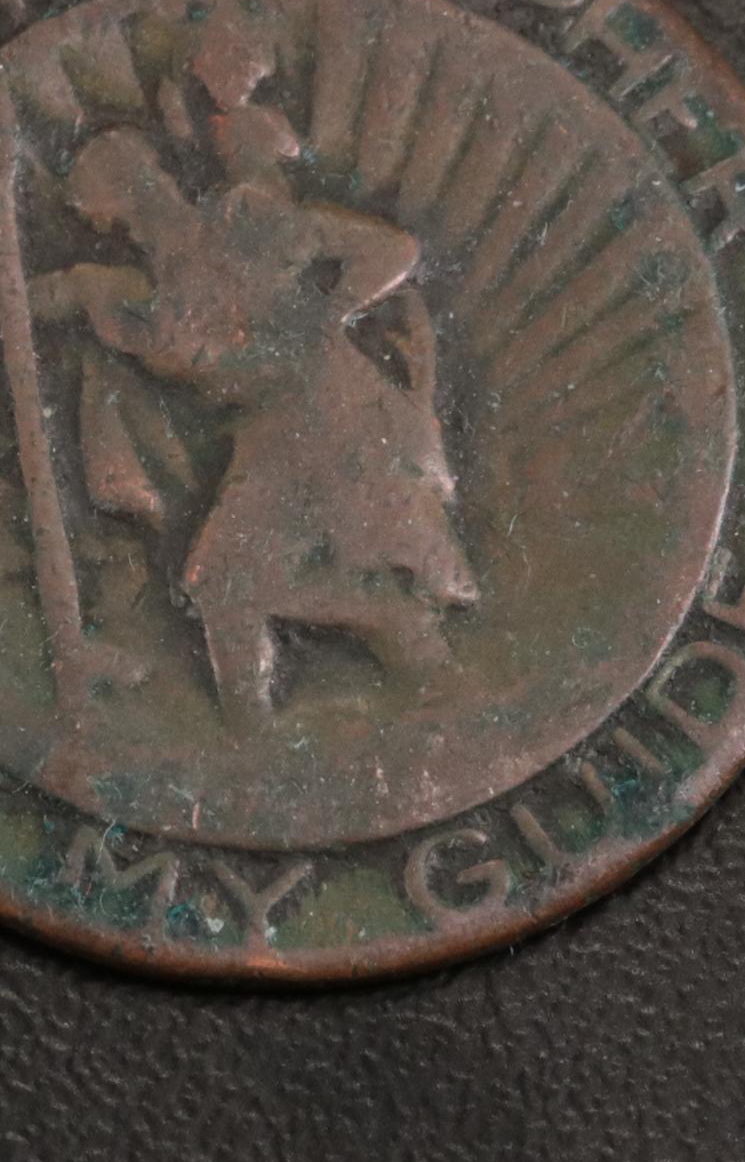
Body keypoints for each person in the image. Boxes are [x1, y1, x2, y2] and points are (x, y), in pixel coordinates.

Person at [30, 38, 475, 726]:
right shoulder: (131, 294)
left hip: (335, 418)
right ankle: (278, 720)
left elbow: (395, 250)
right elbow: (32, 300)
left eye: (103, 206)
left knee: (248, 580)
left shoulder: (244, 222)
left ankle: (373, 677)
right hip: (271, 444)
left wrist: (324, 317)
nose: (106, 221)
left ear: (126, 195)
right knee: (233, 584)